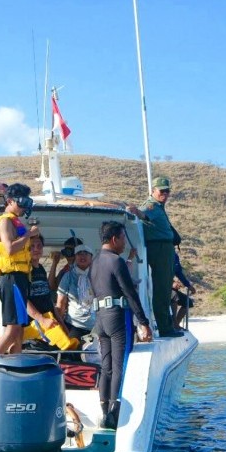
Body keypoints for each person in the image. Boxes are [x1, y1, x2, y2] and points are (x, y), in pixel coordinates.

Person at [90, 221, 153, 430]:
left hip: (100, 318)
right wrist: (143, 322)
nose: (124, 243)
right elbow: (130, 293)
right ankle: (114, 414)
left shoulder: (95, 261)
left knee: (105, 367)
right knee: (119, 366)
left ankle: (103, 411)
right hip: (117, 317)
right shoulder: (115, 261)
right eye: (123, 238)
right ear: (115, 239)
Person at [0, 183, 39, 358]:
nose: (25, 207)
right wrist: (28, 235)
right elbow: (9, 249)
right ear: (9, 201)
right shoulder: (5, 221)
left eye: (27, 201)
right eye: (21, 201)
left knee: (20, 330)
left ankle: (15, 363)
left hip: (20, 278)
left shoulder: (16, 222)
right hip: (11, 278)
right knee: (13, 328)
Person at [127, 176, 182, 337]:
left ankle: (166, 326)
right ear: (153, 191)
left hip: (164, 248)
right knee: (162, 289)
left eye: (167, 191)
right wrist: (136, 211)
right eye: (161, 191)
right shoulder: (152, 205)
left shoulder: (159, 206)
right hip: (160, 248)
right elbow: (143, 214)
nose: (165, 193)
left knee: (164, 288)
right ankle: (166, 328)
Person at [23, 234, 76, 350]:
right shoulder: (24, 270)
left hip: (50, 321)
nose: (36, 249)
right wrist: (42, 320)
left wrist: (61, 323)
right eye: (32, 246)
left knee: (68, 348)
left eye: (39, 246)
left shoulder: (41, 269)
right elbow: (23, 300)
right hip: (35, 326)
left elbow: (48, 300)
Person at [56, 244, 96, 343]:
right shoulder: (68, 276)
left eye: (86, 253)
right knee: (72, 354)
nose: (82, 256)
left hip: (96, 326)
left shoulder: (99, 275)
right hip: (74, 325)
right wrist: (60, 326)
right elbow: (61, 303)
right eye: (79, 254)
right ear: (75, 257)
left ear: (91, 257)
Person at [172, 253, 196, 330]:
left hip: (170, 287)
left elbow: (178, 272)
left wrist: (188, 285)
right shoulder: (161, 254)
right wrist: (171, 283)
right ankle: (174, 324)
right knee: (174, 296)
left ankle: (175, 324)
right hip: (160, 287)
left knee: (188, 302)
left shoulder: (174, 255)